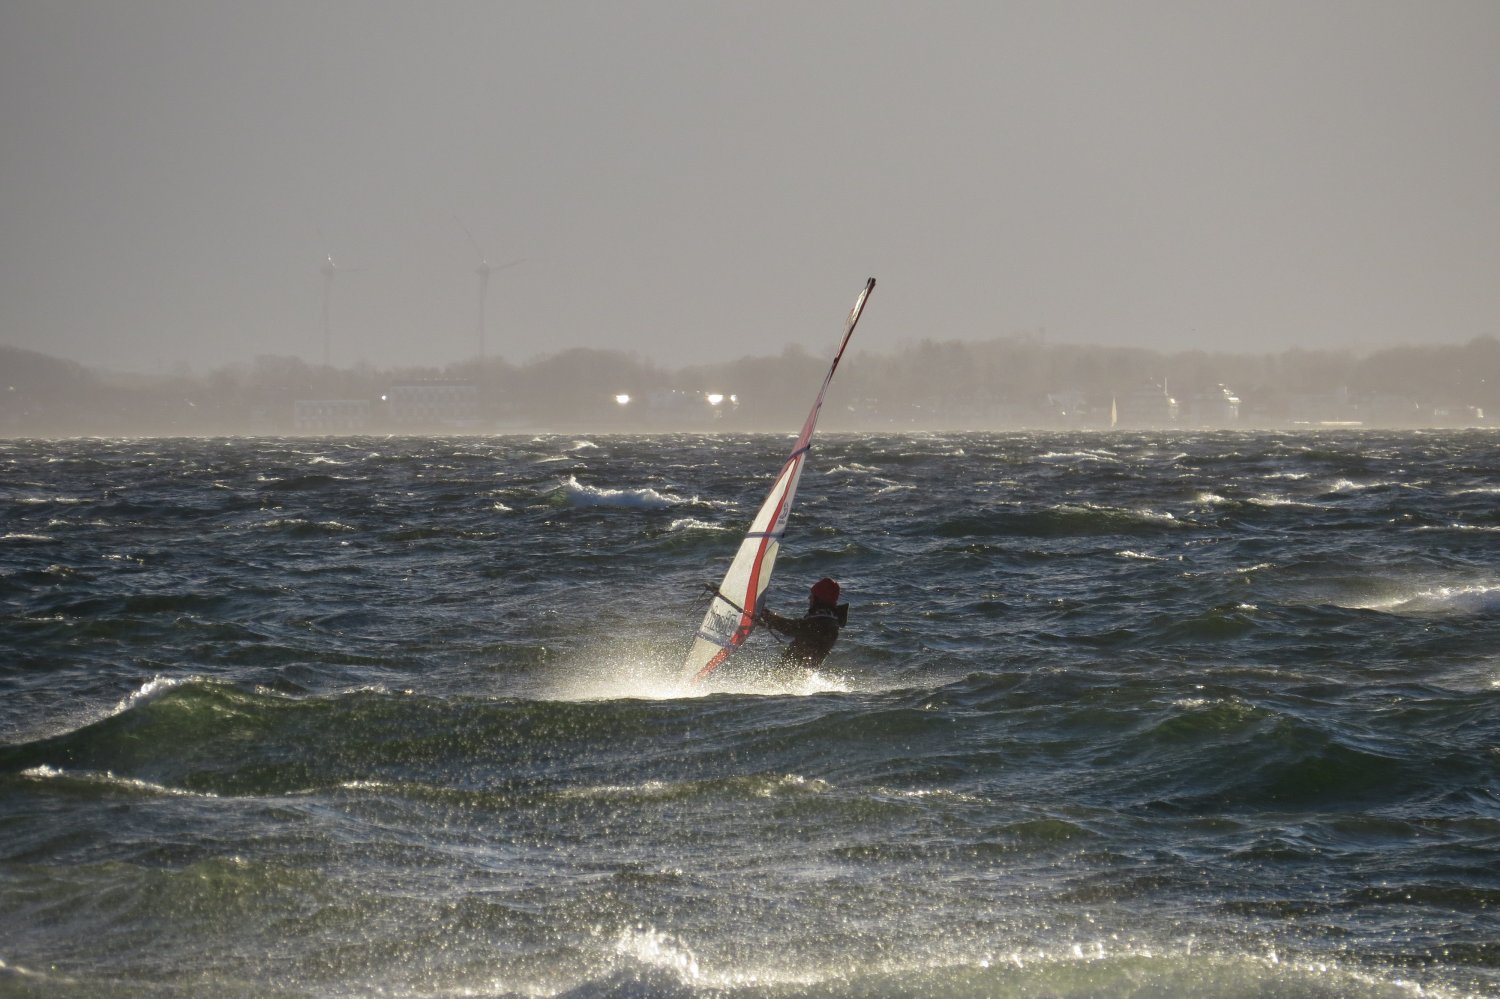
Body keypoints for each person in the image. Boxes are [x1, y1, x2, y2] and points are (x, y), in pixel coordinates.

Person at [758, 577, 848, 669]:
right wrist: (769, 620)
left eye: (813, 595)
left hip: (791, 674)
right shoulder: (830, 621)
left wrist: (766, 615)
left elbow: (790, 628)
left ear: (819, 599)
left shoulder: (821, 623)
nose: (809, 598)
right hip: (802, 675)